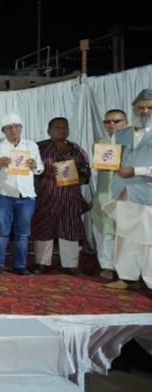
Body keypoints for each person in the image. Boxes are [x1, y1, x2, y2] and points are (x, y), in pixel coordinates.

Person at [31, 117, 91, 275]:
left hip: (70, 198)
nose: (61, 130)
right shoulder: (39, 148)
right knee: (44, 229)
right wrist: (44, 171)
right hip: (46, 196)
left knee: (70, 229)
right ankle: (41, 263)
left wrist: (79, 176)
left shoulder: (76, 149)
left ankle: (71, 265)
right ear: (49, 131)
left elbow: (86, 172)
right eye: (57, 127)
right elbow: (28, 169)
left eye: (65, 127)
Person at [106, 89, 152, 290]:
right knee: (124, 235)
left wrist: (134, 170)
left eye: (150, 108)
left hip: (147, 192)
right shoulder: (120, 134)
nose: (145, 111)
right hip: (123, 191)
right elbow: (112, 159)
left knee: (148, 238)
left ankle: (149, 280)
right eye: (140, 107)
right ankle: (126, 276)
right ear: (133, 109)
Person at [0, 113, 43, 275]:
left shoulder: (31, 145)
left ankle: (20, 265)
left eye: (17, 126)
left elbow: (40, 168)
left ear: (21, 128)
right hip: (3, 193)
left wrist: (34, 165)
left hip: (26, 194)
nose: (14, 130)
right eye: (9, 128)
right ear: (3, 130)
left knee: (23, 233)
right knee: (2, 230)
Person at [91, 109, 127, 280]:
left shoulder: (136, 142)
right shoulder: (101, 143)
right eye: (108, 122)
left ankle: (128, 269)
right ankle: (107, 265)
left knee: (127, 233)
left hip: (129, 193)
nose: (112, 124)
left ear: (125, 122)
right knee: (105, 232)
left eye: (116, 121)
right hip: (105, 193)